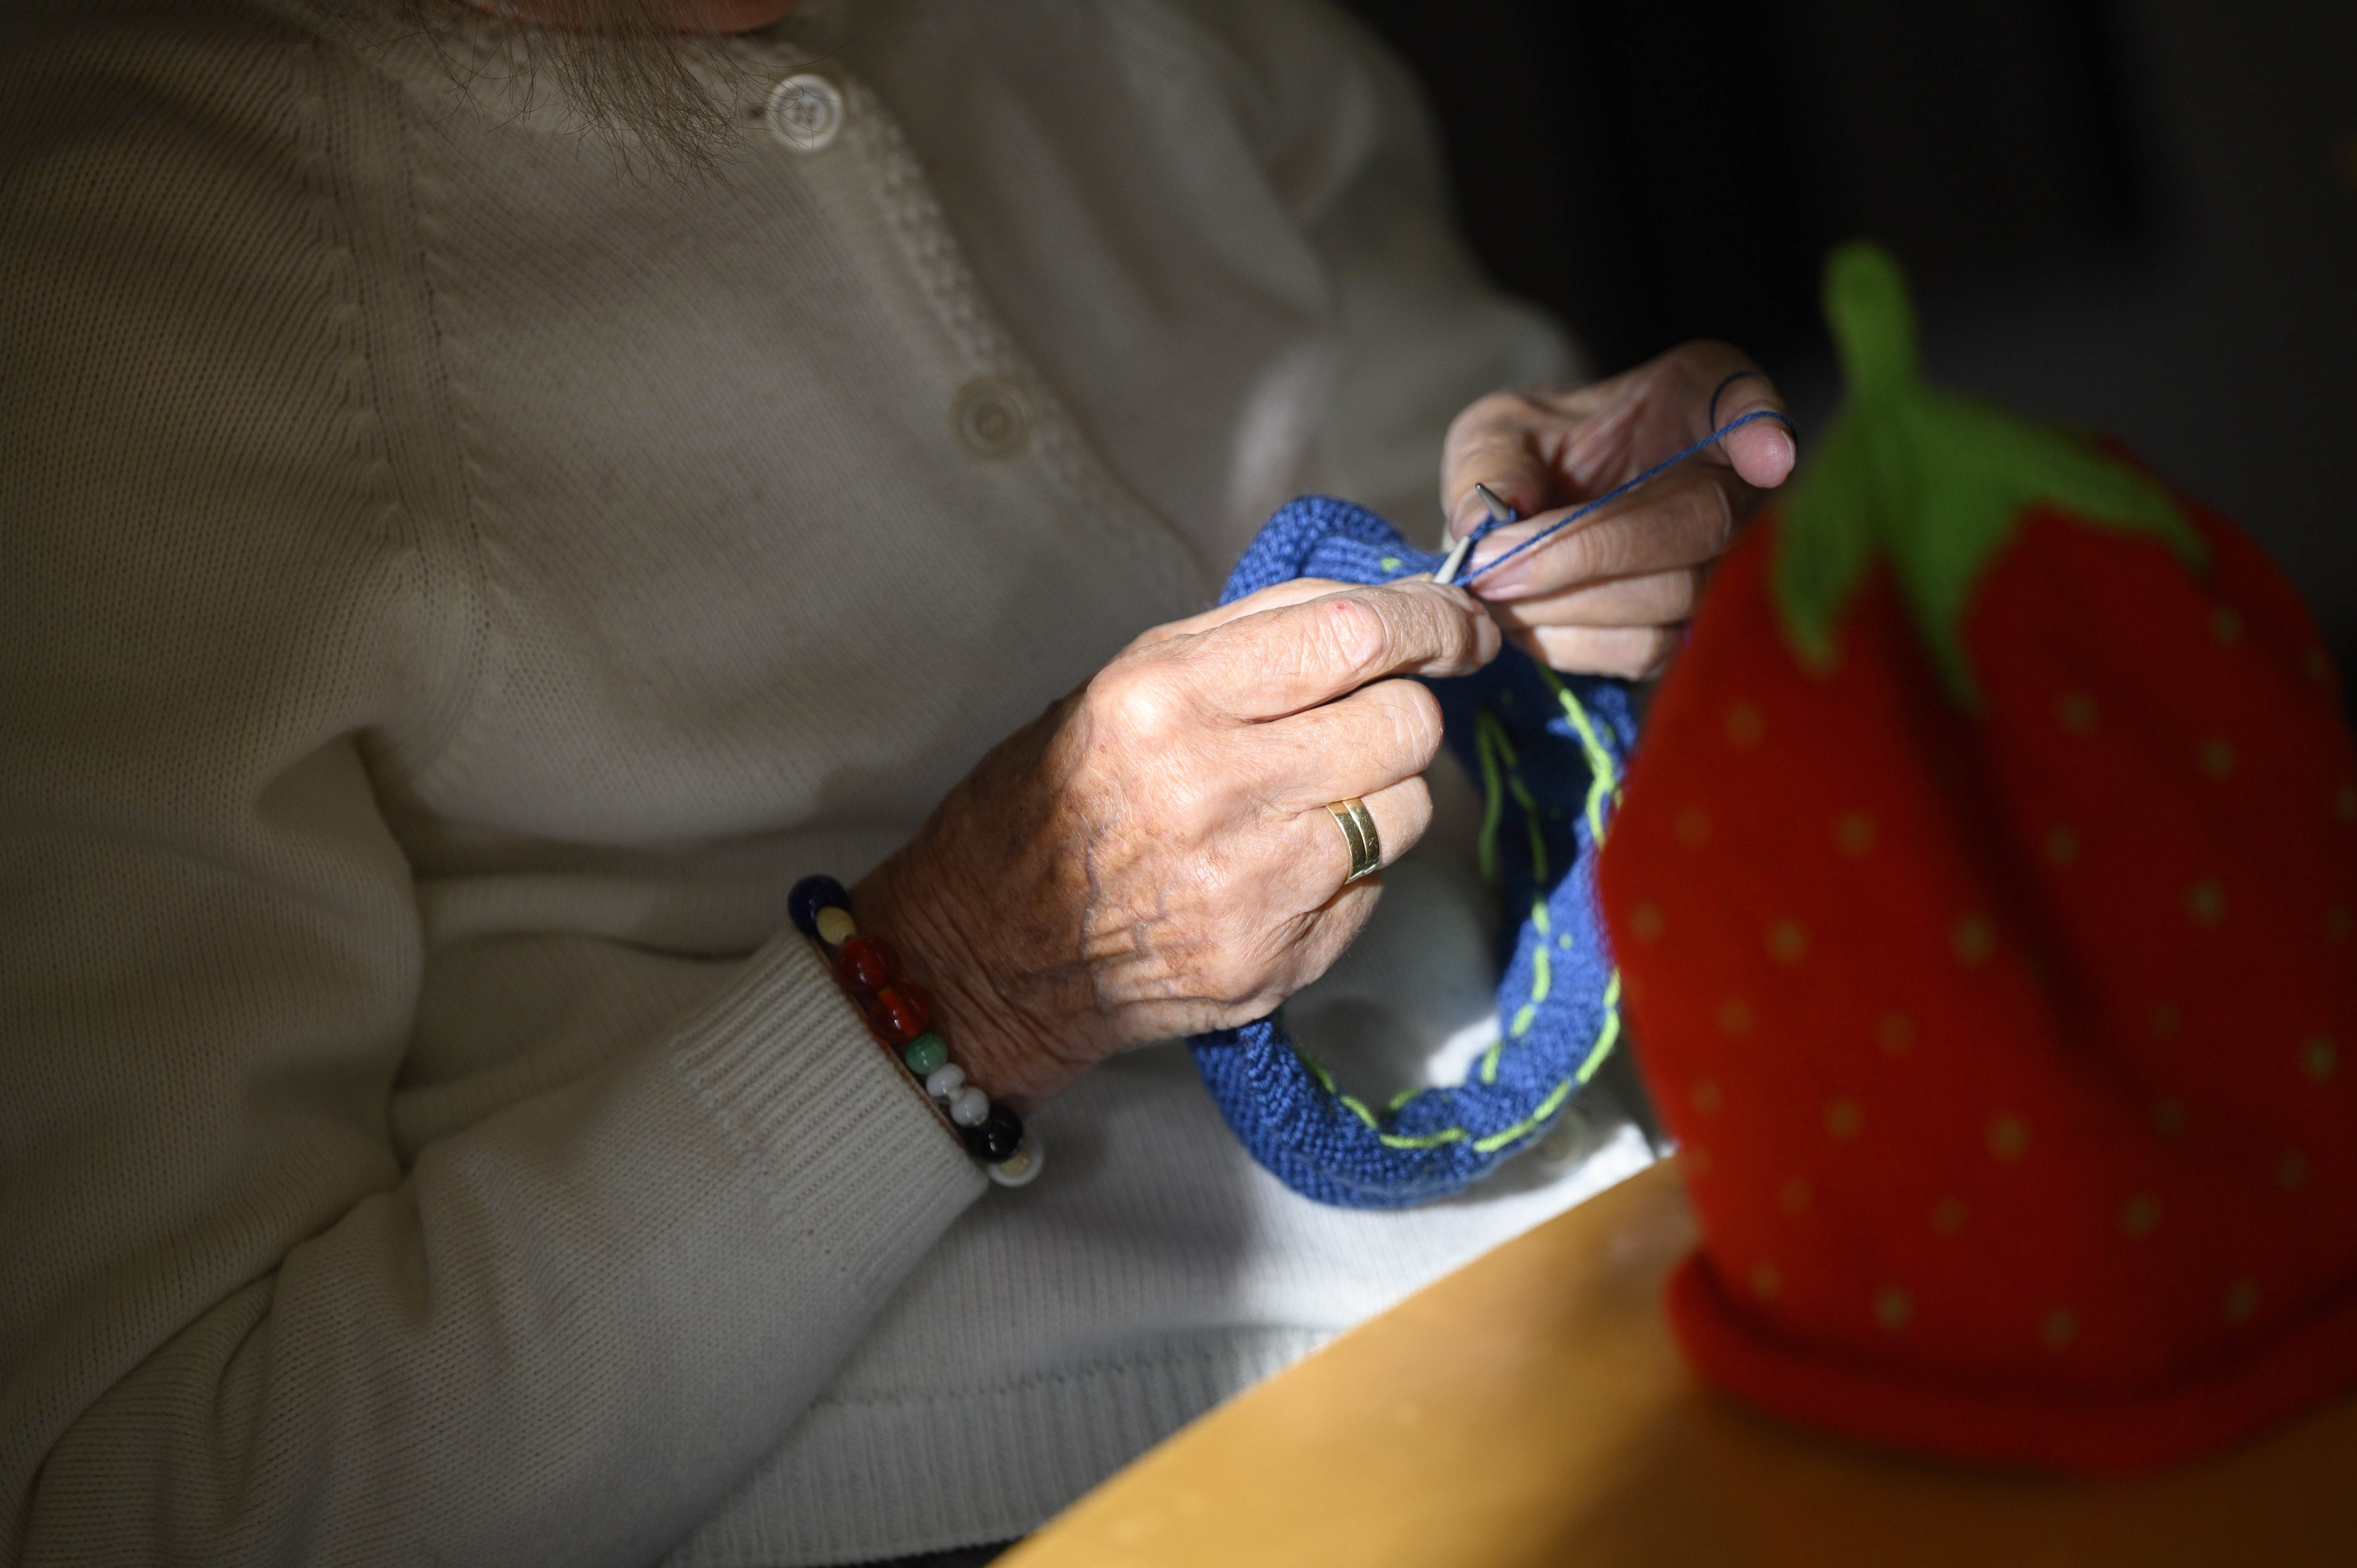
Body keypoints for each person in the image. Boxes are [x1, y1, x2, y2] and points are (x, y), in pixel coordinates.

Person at [0, 0, 1793, 1562]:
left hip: (1671, 1244)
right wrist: (956, 986)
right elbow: (149, 1495)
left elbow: (1444, 463)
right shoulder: (113, 279)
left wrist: (1565, 552)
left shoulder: (1181, 40)